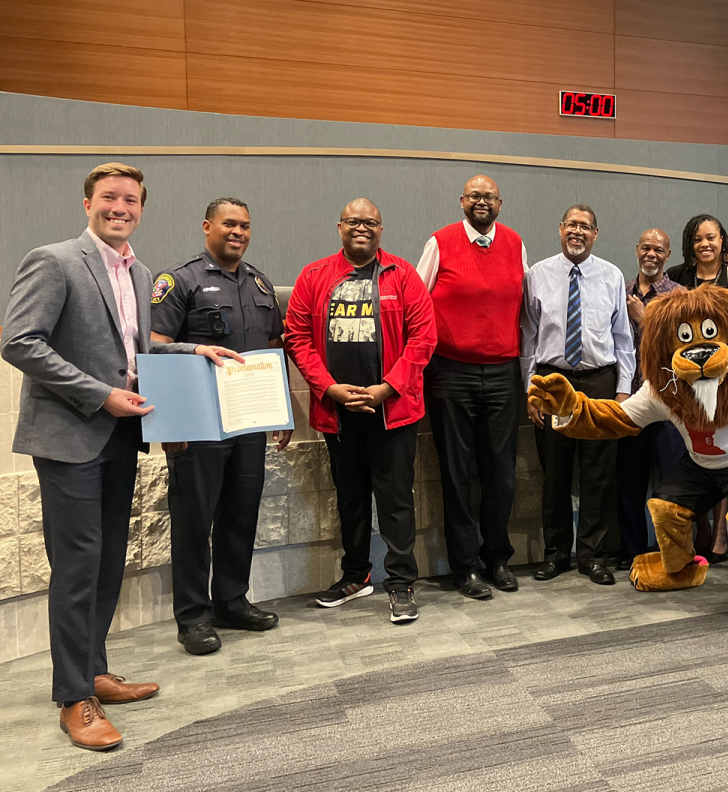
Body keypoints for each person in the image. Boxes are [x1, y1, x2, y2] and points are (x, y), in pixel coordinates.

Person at [1, 163, 240, 751]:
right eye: (109, 197)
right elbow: (18, 340)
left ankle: (95, 672)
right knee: (79, 565)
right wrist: (98, 394)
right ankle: (73, 696)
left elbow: (134, 352)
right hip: (70, 438)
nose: (120, 207)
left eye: (130, 199)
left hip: (119, 438)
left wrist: (192, 347)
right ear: (87, 203)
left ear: (140, 207)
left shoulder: (136, 271)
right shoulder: (54, 260)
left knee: (108, 560)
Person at [150, 197, 291, 656]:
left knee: (240, 513)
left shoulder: (261, 283)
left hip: (248, 421)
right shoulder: (178, 281)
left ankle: (231, 601)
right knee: (194, 521)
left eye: (245, 226)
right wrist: (194, 352)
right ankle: (192, 618)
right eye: (229, 224)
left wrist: (281, 410)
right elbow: (152, 346)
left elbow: (273, 348)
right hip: (197, 423)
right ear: (207, 225)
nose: (238, 232)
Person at [286, 198, 436, 625]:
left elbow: (423, 339)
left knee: (395, 502)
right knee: (350, 501)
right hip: (338, 414)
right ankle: (355, 576)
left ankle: (401, 582)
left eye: (370, 222)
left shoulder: (403, 275)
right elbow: (296, 336)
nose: (362, 228)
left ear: (381, 229)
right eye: (354, 221)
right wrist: (329, 388)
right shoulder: (314, 276)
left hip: (393, 413)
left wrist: (387, 388)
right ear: (339, 227)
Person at [416, 175, 528, 599]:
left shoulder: (515, 243)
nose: (482, 202)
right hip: (451, 373)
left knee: (501, 474)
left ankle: (496, 558)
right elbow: (417, 301)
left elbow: (525, 305)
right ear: (462, 200)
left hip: (502, 373)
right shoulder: (439, 242)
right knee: (457, 472)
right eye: (474, 196)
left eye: (489, 196)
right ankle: (465, 568)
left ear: (500, 202)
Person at [521, 204, 635, 585]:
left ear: (596, 234)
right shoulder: (537, 274)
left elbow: (623, 338)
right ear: (560, 229)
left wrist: (622, 391)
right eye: (572, 225)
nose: (578, 232)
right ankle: (556, 555)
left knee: (599, 472)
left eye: (586, 226)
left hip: (599, 382)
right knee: (554, 471)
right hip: (553, 382)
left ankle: (593, 555)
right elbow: (528, 338)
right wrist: (530, 389)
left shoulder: (612, 276)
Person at [665, 213, 728, 560]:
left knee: (723, 452)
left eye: (712, 238)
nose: (705, 244)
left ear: (723, 242)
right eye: (699, 238)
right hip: (684, 381)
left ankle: (719, 534)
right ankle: (697, 529)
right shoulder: (676, 278)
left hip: (725, 383)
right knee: (695, 453)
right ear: (690, 244)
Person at [617, 229, 686, 570]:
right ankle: (631, 551)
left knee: (673, 483)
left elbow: (681, 347)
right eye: (645, 247)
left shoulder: (680, 296)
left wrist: (645, 321)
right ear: (636, 250)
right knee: (629, 480)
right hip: (631, 402)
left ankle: (674, 553)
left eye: (658, 249)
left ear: (668, 255)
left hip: (668, 402)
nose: (651, 254)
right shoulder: (620, 289)